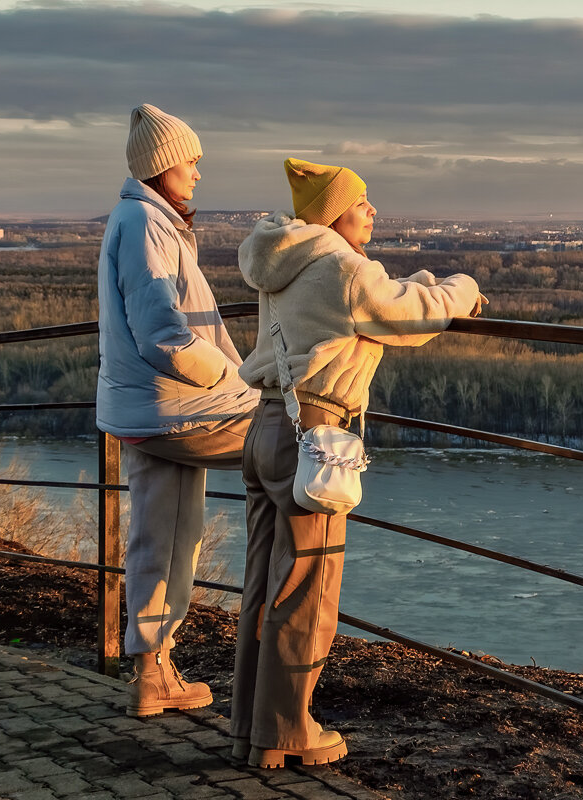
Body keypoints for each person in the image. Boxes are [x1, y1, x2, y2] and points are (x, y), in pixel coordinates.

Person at [230, 158, 484, 768]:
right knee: (308, 587)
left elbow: (381, 297)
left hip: (266, 426)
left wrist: (417, 279)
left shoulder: (287, 260)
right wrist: (465, 288)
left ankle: (250, 728)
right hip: (312, 435)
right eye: (363, 203)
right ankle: (287, 730)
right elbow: (411, 315)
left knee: (264, 583)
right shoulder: (343, 269)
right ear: (333, 214)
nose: (374, 211)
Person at [96, 103, 259, 717]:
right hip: (172, 411)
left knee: (163, 536)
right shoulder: (145, 225)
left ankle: (152, 674)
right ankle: (275, 654)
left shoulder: (138, 219)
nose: (197, 173)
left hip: (146, 411)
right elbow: (165, 335)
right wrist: (238, 380)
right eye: (191, 162)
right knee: (293, 445)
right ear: (162, 166)